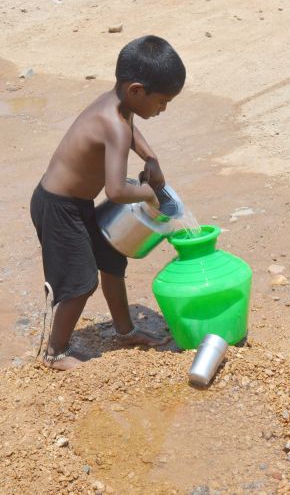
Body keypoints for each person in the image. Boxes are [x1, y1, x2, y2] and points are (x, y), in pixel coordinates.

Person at [30, 35, 184, 370]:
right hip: (58, 207)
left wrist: (151, 158)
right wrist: (150, 194)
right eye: (162, 101)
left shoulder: (118, 105)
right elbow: (115, 191)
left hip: (77, 203)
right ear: (137, 91)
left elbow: (131, 130)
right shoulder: (114, 124)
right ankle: (56, 351)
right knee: (81, 282)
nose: (163, 109)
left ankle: (125, 331)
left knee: (112, 259)